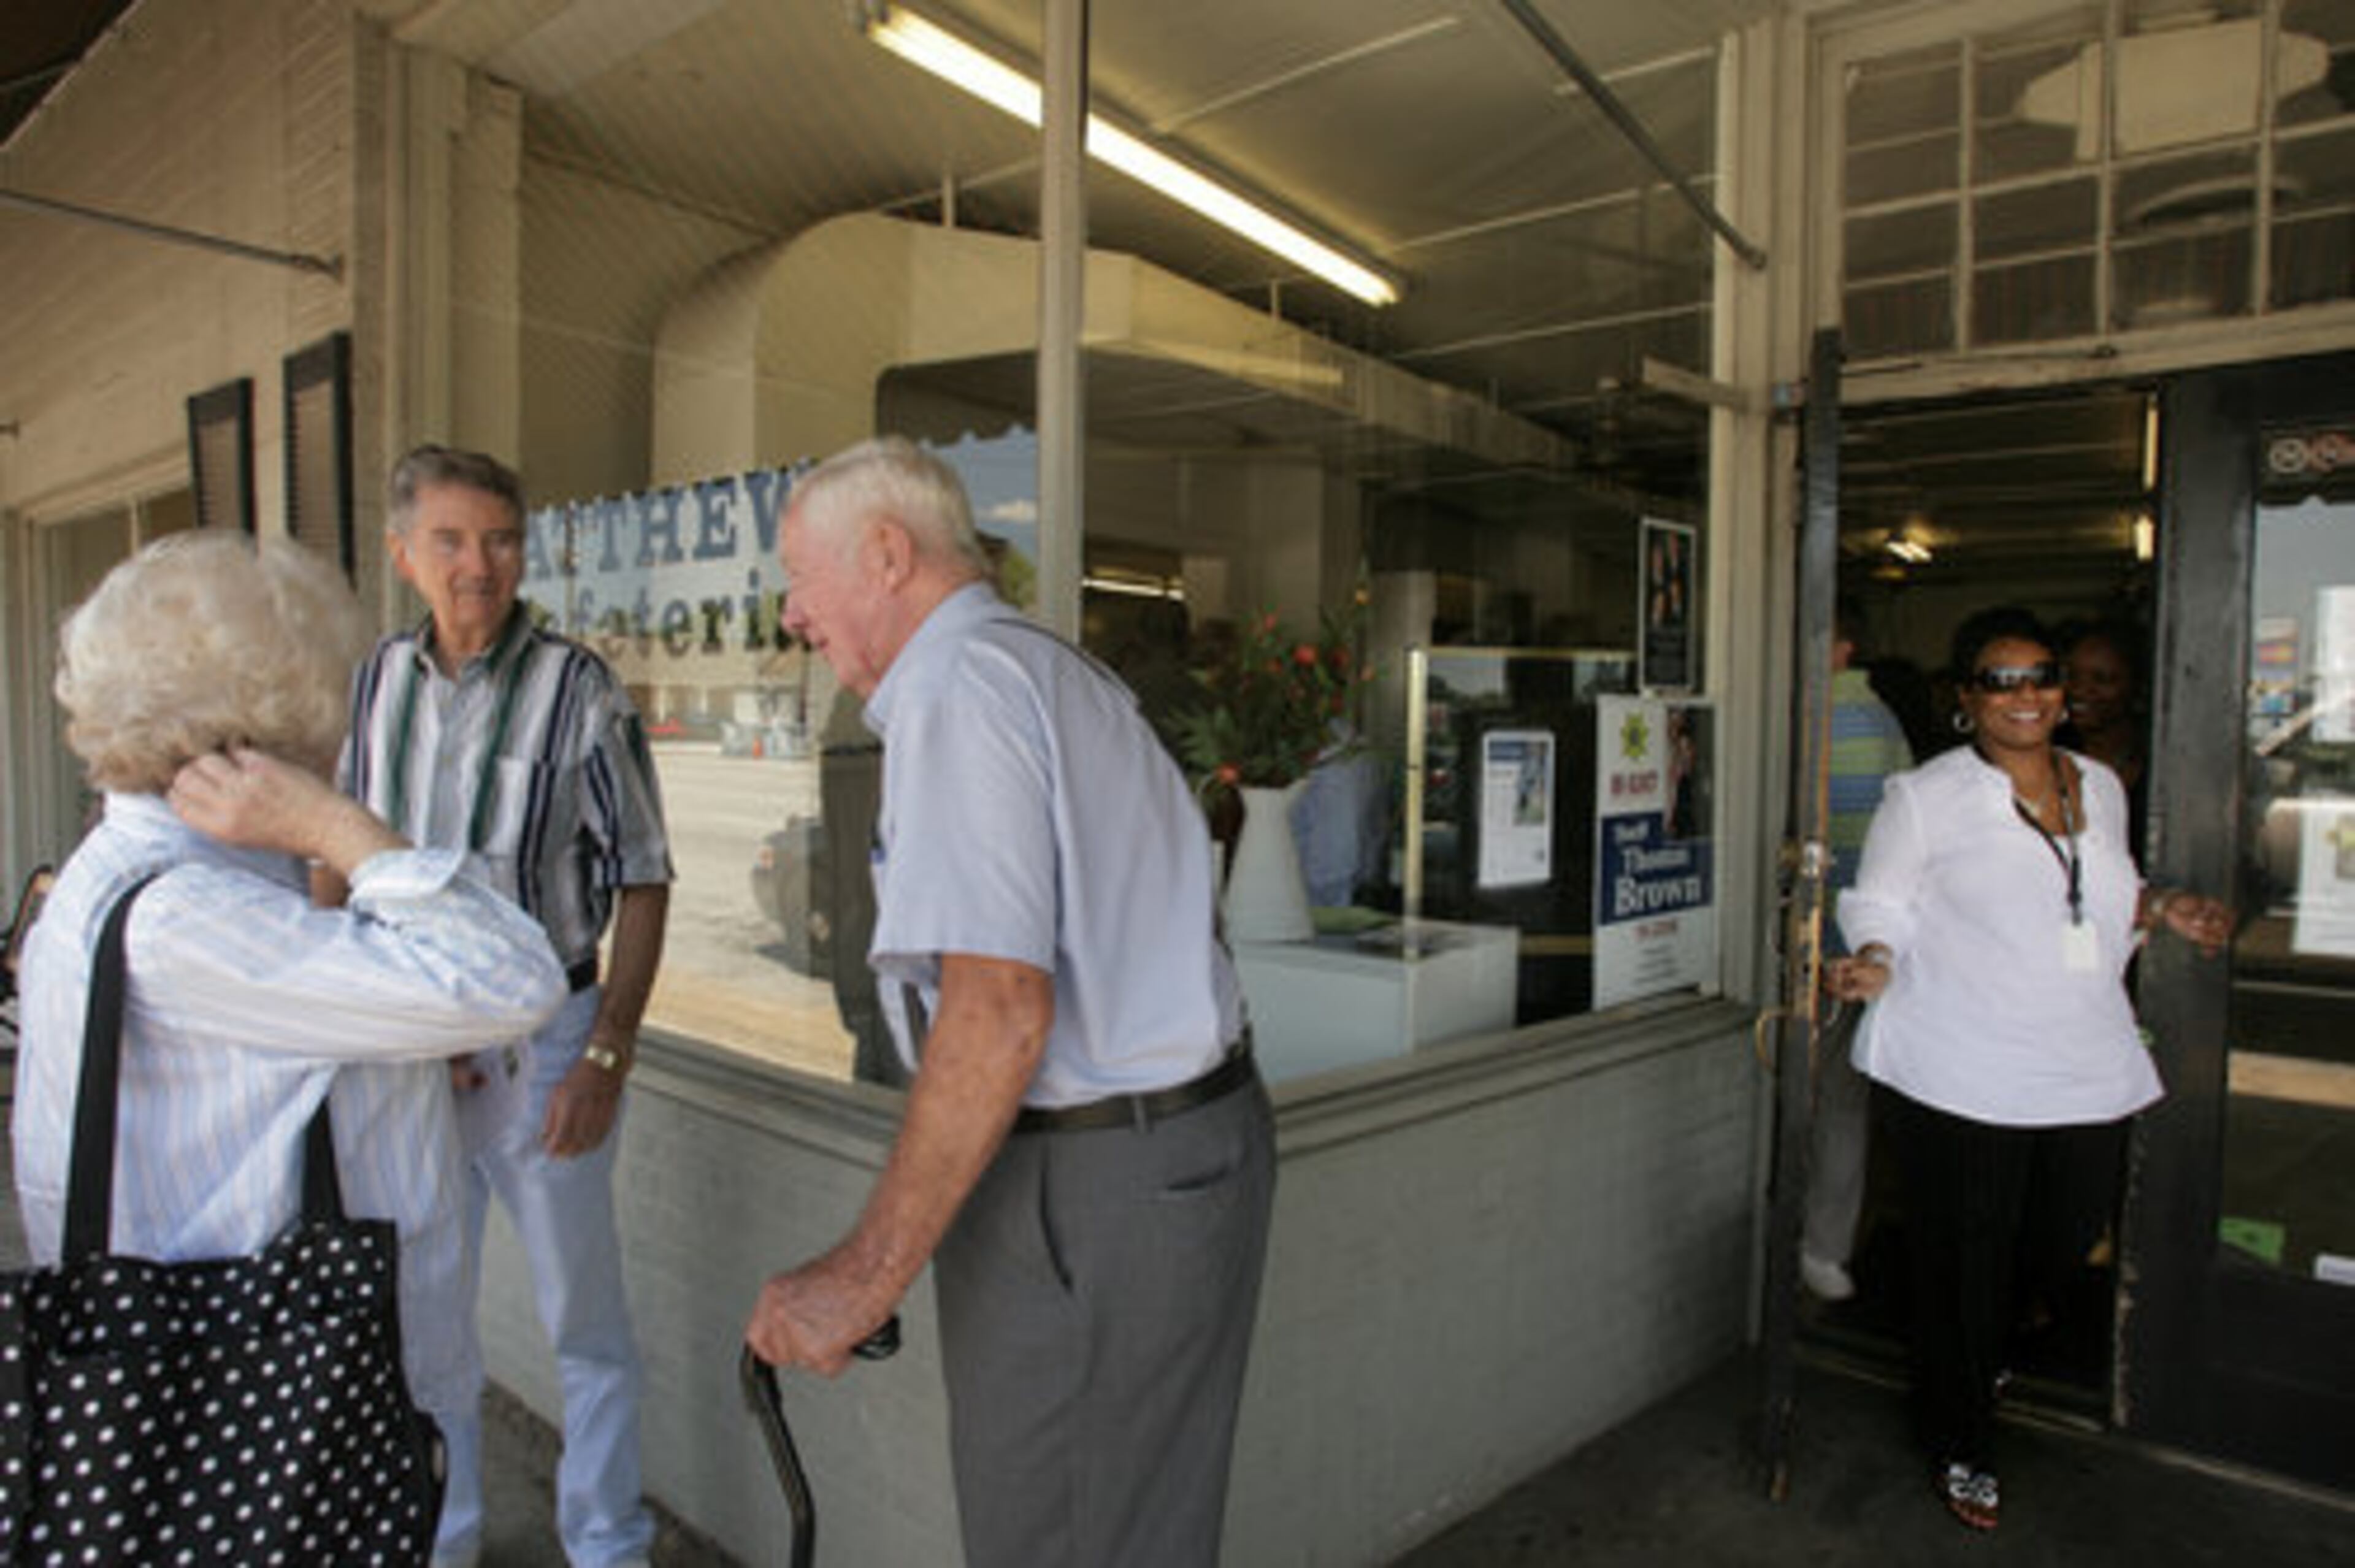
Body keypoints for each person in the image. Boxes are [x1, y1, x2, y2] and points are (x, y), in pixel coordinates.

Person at [745, 437, 1276, 1568]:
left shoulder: (965, 687)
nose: (793, 614)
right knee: (1131, 1529)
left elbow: (996, 1012)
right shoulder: (1038, 667)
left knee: (1060, 1537)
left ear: (887, 554)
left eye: (801, 578)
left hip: (1094, 1179)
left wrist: (860, 1278)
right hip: (1145, 1153)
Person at [14, 532, 569, 1523]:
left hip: (229, 1400)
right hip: (281, 1417)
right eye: (333, 708)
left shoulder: (130, 879)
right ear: (263, 731)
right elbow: (516, 977)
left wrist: (387, 1069)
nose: (342, 739)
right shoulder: (192, 919)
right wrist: (336, 826)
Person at [328, 445, 674, 1568]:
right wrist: (358, 1016)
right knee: (426, 1317)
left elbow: (643, 874)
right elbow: (338, 853)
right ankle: (447, 1538)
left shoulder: (580, 686)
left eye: (501, 539)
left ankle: (608, 1542)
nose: (480, 564)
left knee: (583, 1322)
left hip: (545, 1046)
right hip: (410, 1050)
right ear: (403, 554)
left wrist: (606, 1056)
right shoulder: (376, 680)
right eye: (451, 539)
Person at [1825, 605, 2230, 1534]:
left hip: (2080, 1053)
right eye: (2001, 680)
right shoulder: (1925, 795)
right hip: (1960, 1060)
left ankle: (1979, 1353)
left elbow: (2103, 892)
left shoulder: (2099, 784)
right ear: (1967, 699)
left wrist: (2163, 909)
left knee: (2061, 1237)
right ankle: (1959, 1435)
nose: (2027, 695)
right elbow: (1878, 896)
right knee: (1966, 1261)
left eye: (2041, 676)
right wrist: (1879, 957)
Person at [1801, 603, 1913, 1302]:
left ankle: (1789, 1238)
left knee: (1803, 1102)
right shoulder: (1887, 724)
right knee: (1844, 1106)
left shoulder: (1808, 721)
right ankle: (1826, 1249)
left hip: (1809, 947)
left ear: (1842, 647)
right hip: (1866, 952)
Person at [2055, 619, 2150, 863]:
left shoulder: (2158, 764)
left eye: (2103, 679)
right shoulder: (2046, 756)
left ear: (2138, 688)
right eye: (2071, 676)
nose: (2079, 690)